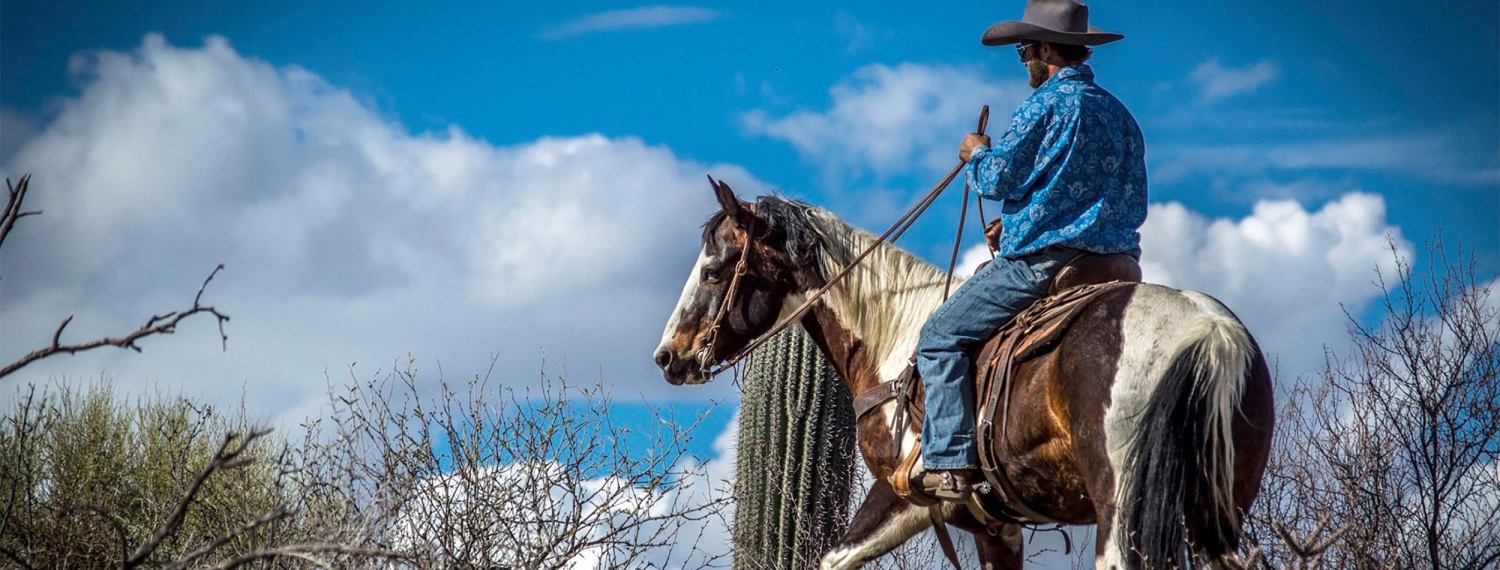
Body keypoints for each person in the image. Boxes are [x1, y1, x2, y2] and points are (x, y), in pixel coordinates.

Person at [915, 0, 1148, 502]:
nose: (1023, 61)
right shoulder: (1120, 115)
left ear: (1045, 48)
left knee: (938, 337)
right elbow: (1092, 196)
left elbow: (999, 177)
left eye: (1024, 50)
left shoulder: (1046, 105)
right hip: (1119, 266)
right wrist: (1021, 222)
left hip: (1047, 265)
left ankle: (951, 463)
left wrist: (976, 153)